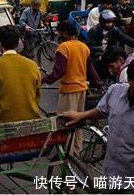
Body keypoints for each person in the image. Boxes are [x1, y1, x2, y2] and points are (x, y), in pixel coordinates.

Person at [61, 59, 134, 193]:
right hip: (111, 174)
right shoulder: (115, 91)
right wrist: (81, 115)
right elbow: (102, 110)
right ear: (129, 80)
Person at [42, 21, 102, 155]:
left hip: (69, 89)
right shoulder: (84, 46)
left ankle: (66, 151)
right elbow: (90, 69)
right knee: (78, 120)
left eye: (59, 32)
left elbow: (59, 71)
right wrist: (98, 83)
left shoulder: (63, 47)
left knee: (66, 122)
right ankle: (76, 148)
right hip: (82, 89)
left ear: (64, 32)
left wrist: (43, 80)